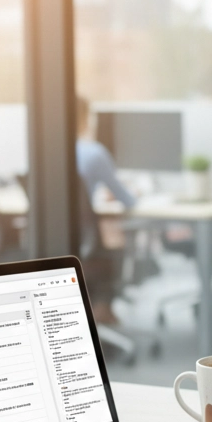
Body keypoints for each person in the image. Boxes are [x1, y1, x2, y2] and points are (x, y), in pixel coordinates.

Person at [75, 96, 134, 325]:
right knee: (114, 240)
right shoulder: (94, 153)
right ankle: (102, 309)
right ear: (83, 119)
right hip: (86, 248)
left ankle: (96, 313)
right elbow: (127, 201)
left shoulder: (42, 154)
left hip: (51, 246)